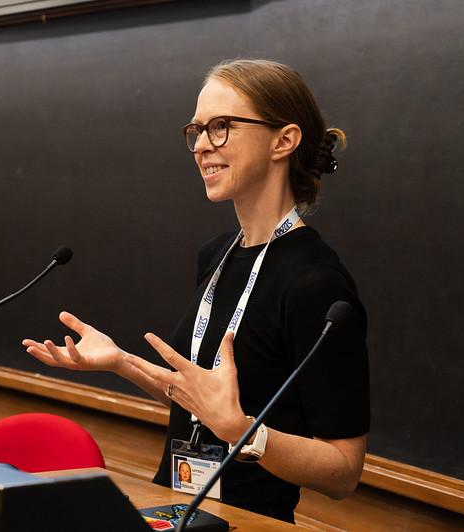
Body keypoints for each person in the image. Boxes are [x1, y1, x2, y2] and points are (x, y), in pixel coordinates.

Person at [22, 59, 370, 523]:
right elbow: (199, 398)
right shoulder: (218, 253)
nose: (202, 145)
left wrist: (244, 432)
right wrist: (121, 362)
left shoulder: (317, 281)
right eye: (197, 130)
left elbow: (344, 472)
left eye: (222, 126)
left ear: (283, 141)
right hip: (171, 511)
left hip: (245, 522)